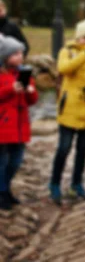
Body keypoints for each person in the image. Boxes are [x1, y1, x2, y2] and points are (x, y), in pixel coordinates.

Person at [50, 19, 85, 205]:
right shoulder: (67, 51)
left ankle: (77, 183)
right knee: (64, 148)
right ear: (78, 37)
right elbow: (64, 68)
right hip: (70, 110)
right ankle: (55, 182)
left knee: (82, 150)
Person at [0, 35, 38, 210]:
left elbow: (32, 100)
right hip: (3, 123)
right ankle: (3, 193)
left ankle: (5, 188)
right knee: (1, 161)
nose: (20, 56)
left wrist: (30, 91)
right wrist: (10, 89)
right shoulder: (2, 75)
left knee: (16, 160)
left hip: (20, 125)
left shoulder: (24, 73)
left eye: (21, 53)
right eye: (15, 53)